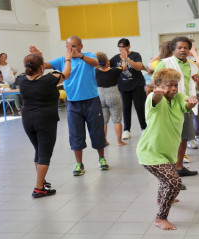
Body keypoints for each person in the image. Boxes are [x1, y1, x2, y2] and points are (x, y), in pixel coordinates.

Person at [30, 35, 108, 176]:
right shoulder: (62, 60)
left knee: (97, 131)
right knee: (75, 134)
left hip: (92, 101)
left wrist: (79, 56)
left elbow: (96, 63)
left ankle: (101, 158)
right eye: (67, 46)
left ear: (80, 46)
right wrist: (38, 56)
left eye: (72, 45)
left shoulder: (88, 56)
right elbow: (43, 66)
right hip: (73, 103)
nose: (69, 48)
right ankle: (79, 164)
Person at [137, 68, 198, 230]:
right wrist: (158, 92)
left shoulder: (177, 97)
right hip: (150, 151)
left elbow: (186, 103)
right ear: (157, 85)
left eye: (175, 85)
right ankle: (160, 218)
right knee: (173, 182)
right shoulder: (154, 97)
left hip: (167, 151)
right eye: (168, 85)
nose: (173, 89)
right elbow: (155, 98)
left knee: (165, 178)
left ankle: (161, 198)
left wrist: (191, 102)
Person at [18, 47, 72, 198]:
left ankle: (41, 181)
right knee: (45, 154)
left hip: (28, 120)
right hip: (45, 120)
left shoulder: (21, 79)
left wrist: (38, 58)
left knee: (38, 150)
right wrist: (67, 58)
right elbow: (66, 73)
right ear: (41, 67)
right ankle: (38, 188)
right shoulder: (49, 79)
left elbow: (35, 71)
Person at [153, 36, 199, 177]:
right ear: (173, 49)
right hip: (168, 107)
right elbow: (154, 84)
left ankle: (179, 168)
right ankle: (170, 174)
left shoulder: (193, 66)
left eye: (186, 48)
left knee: (183, 138)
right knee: (170, 140)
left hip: (186, 105)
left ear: (189, 50)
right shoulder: (165, 63)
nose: (183, 50)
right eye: (179, 48)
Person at [110, 38, 147, 140]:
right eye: (120, 47)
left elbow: (139, 67)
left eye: (123, 46)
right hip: (123, 86)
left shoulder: (135, 55)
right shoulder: (116, 58)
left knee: (140, 107)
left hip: (137, 85)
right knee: (126, 108)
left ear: (128, 46)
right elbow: (106, 65)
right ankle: (127, 130)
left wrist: (127, 59)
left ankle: (144, 128)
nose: (121, 49)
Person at [95, 51, 127, 146]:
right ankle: (119, 141)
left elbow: (96, 65)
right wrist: (124, 59)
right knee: (117, 120)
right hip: (113, 93)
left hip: (100, 94)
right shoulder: (114, 70)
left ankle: (104, 141)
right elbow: (124, 67)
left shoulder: (95, 71)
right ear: (107, 62)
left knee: (104, 121)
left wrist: (97, 57)